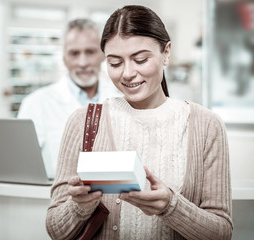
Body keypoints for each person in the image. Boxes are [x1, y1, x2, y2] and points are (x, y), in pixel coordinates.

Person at [46, 5, 233, 240]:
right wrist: (79, 207)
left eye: (141, 59)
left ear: (166, 53)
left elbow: (222, 232)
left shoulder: (206, 126)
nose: (127, 73)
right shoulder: (83, 121)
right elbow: (55, 229)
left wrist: (171, 206)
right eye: (115, 63)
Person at [17, 19, 118, 179]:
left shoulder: (121, 98)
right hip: (55, 197)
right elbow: (20, 165)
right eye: (74, 53)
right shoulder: (36, 103)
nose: (83, 62)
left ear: (103, 55)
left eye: (90, 52)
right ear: (64, 57)